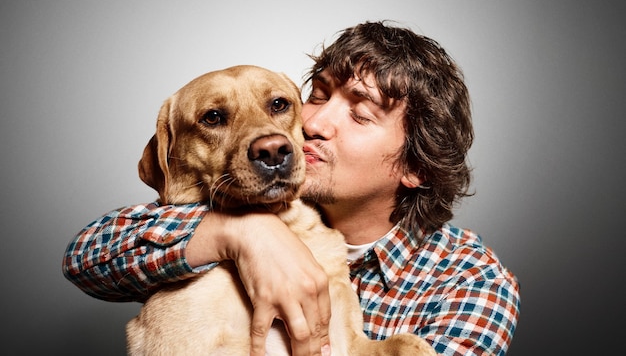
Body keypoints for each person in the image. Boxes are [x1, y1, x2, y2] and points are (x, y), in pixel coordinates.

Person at [63, 21, 520, 356]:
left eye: (360, 115)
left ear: (415, 166)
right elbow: (86, 254)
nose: (312, 124)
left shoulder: (470, 281)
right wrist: (243, 234)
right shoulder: (248, 203)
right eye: (316, 96)